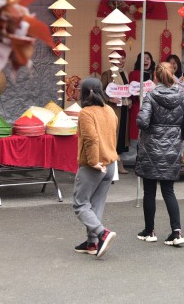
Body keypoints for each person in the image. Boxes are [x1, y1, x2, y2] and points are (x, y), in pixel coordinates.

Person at [135, 63, 184, 247]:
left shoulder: (150, 96)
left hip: (151, 148)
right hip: (172, 147)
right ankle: (176, 232)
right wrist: (178, 129)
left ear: (155, 77)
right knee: (168, 191)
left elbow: (142, 122)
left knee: (149, 191)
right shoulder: (182, 96)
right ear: (173, 75)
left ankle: (150, 231)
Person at [72, 77, 119, 258]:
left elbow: (91, 139)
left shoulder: (86, 113)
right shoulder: (109, 110)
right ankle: (92, 243)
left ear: (83, 93)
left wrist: (93, 162)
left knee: (81, 204)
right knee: (96, 205)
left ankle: (102, 233)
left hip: (94, 166)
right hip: (110, 163)